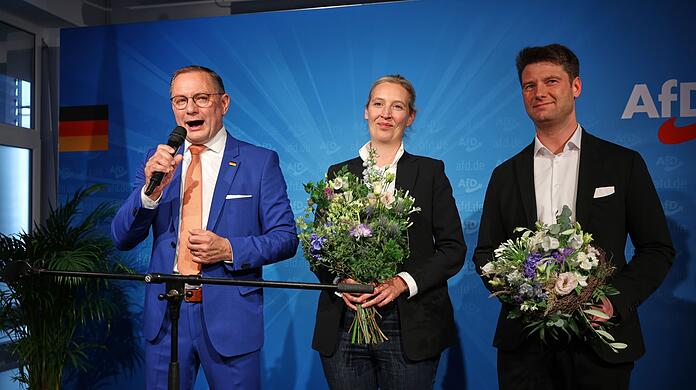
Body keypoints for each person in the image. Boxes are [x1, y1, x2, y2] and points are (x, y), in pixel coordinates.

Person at [473, 44, 674, 389]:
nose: (540, 93)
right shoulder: (504, 175)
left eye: (551, 81)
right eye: (529, 85)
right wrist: (522, 295)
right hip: (525, 346)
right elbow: (485, 253)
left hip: (600, 342)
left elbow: (657, 249)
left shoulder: (623, 164)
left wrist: (613, 302)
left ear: (575, 87)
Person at [111, 65, 298, 389]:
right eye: (180, 100)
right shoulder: (159, 162)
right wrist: (150, 192)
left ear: (223, 103)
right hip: (166, 317)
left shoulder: (259, 162)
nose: (190, 109)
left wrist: (229, 249)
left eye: (200, 98)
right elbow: (122, 237)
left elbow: (285, 238)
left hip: (230, 318)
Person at [311, 74, 467, 390]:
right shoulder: (338, 173)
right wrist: (342, 282)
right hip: (345, 322)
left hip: (409, 322)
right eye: (378, 104)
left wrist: (400, 283)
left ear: (409, 117)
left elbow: (452, 248)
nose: (386, 114)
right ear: (366, 111)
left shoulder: (430, 172)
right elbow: (319, 248)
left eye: (397, 107)